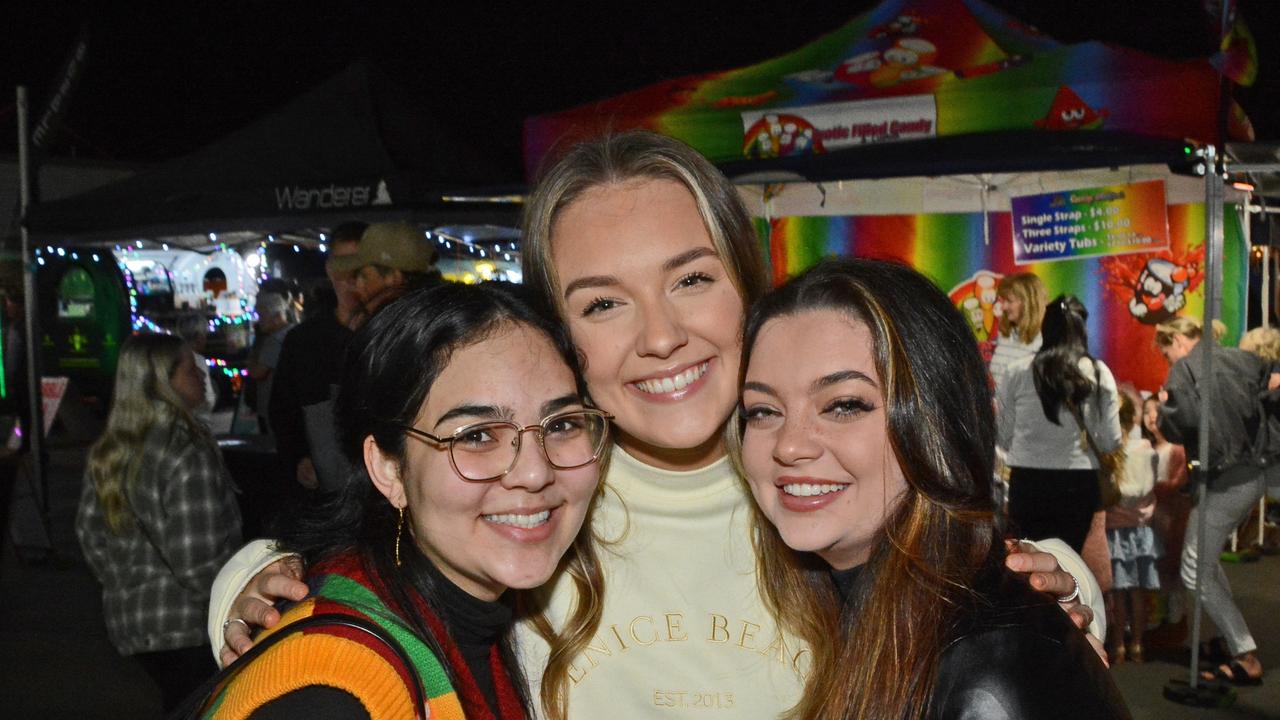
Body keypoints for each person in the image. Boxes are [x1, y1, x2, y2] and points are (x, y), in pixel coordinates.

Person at [208, 131, 1103, 715]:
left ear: (748, 284)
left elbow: (942, 573)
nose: (663, 335)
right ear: (560, 338)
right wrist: (251, 581)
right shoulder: (541, 496)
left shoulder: (811, 482)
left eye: (690, 279)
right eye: (603, 303)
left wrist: (1055, 577)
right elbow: (391, 555)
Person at [734, 258, 1128, 719]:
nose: (790, 445)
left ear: (938, 421)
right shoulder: (844, 599)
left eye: (843, 405)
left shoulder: (985, 667)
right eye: (762, 411)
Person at [198, 282, 609, 719]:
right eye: (476, 436)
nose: (535, 472)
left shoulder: (478, 607)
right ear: (389, 469)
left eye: (562, 424)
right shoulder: (332, 690)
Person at [75, 333, 242, 713]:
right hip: (188, 623)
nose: (201, 375)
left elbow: (90, 533)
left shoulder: (113, 447)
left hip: (133, 620)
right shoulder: (186, 449)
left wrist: (126, 582)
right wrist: (235, 604)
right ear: (161, 381)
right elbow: (198, 560)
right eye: (189, 368)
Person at [1155, 315, 1276, 685]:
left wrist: (1165, 408)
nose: (1167, 360)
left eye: (1165, 353)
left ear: (1176, 341)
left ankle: (1245, 654)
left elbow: (1179, 426)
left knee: (1194, 568)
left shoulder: (1184, 373)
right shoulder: (1242, 358)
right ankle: (1231, 639)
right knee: (1204, 560)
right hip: (1255, 470)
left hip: (1223, 478)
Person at [998, 295, 1123, 552]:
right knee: (1068, 561)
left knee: (1030, 560)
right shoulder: (1098, 372)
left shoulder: (1017, 370)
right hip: (1078, 484)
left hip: (1028, 481)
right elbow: (1111, 441)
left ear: (1046, 327)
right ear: (1082, 328)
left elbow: (1002, 434)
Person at [268, 222, 365, 490]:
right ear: (329, 268)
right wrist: (299, 458)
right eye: (342, 263)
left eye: (358, 263)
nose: (349, 275)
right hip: (324, 495)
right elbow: (282, 411)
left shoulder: (392, 335)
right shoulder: (303, 340)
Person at [1103, 392, 1160, 664]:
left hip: (1115, 531)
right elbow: (1150, 488)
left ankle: (1118, 646)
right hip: (1141, 532)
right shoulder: (1147, 451)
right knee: (1137, 592)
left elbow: (1110, 493)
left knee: (1117, 594)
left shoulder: (1111, 454)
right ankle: (1138, 644)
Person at [327, 221, 443, 328]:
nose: (358, 285)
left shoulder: (401, 332)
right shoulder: (435, 317)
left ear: (394, 278)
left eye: (364, 276)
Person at [247, 291, 296, 434]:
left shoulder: (274, 340)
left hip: (273, 407)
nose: (259, 321)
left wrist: (251, 357)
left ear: (276, 316)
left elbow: (257, 373)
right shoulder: (294, 332)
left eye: (262, 316)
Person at [989, 271, 1047, 389]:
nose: (1003, 307)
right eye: (1003, 300)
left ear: (1028, 303)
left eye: (1009, 301)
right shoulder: (1005, 335)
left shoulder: (1046, 339)